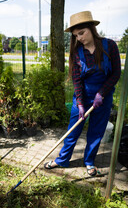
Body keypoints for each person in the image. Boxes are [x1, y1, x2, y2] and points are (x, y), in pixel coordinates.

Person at [44, 11, 121, 176]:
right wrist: (79, 103)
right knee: (73, 130)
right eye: (75, 35)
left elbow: (115, 74)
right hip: (83, 96)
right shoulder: (76, 52)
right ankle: (62, 160)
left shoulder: (110, 46)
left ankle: (89, 161)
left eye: (82, 33)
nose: (79, 38)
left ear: (91, 28)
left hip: (103, 97)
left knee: (96, 132)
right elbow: (76, 79)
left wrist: (102, 93)